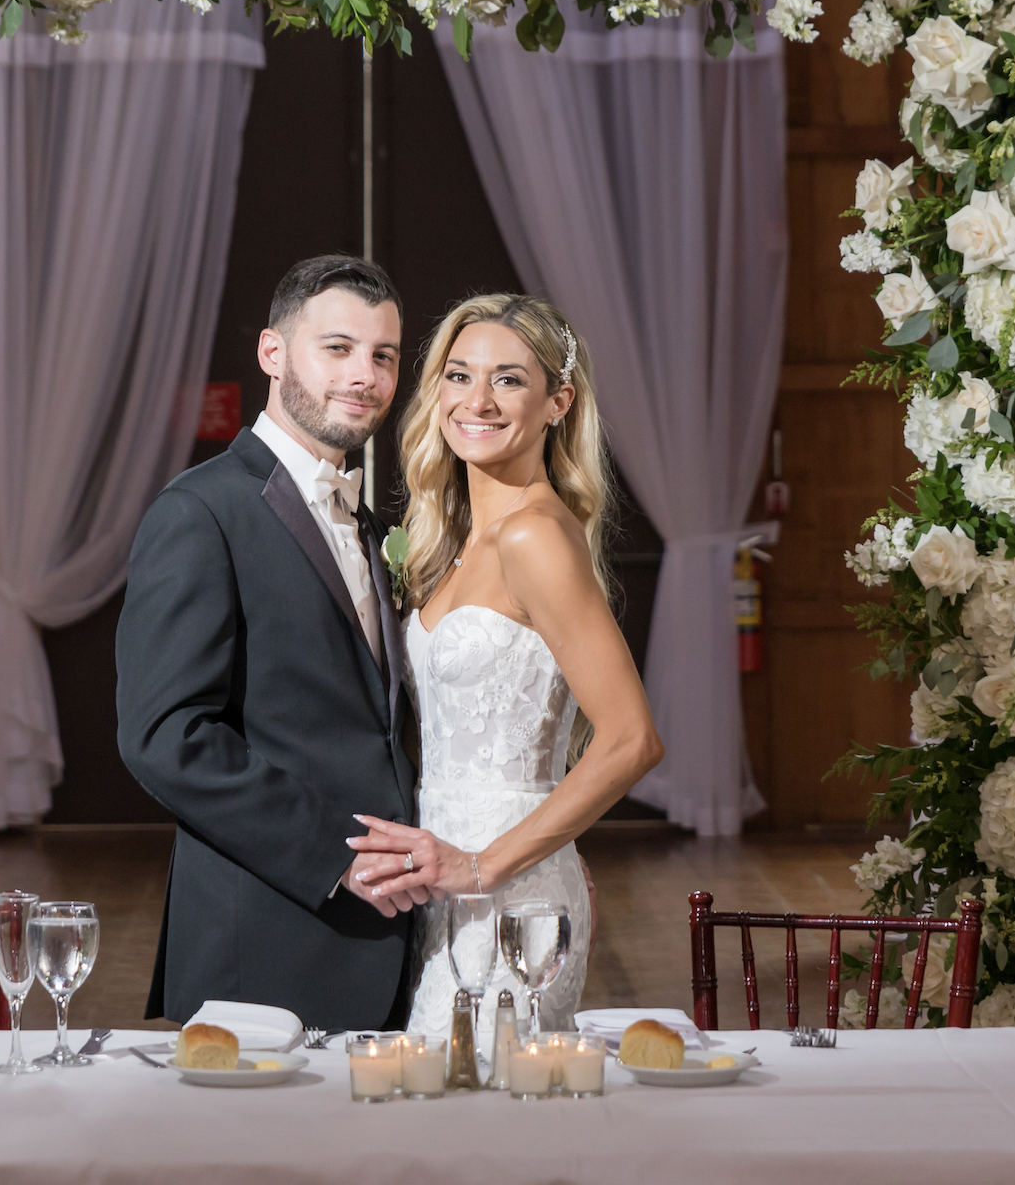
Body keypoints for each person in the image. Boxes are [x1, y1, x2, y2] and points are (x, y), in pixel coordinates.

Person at [344, 293, 663, 1033]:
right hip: (442, 879)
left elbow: (631, 739)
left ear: (559, 401)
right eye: (459, 375)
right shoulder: (446, 544)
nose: (477, 401)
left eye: (509, 380)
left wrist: (487, 867)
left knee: (487, 1120)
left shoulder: (535, 539)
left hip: (507, 888)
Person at [116, 255, 418, 1030]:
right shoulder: (198, 513)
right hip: (267, 941)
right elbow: (165, 737)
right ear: (272, 353)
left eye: (383, 356)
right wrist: (338, 854)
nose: (365, 375)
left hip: (402, 939)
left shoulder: (376, 526)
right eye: (338, 348)